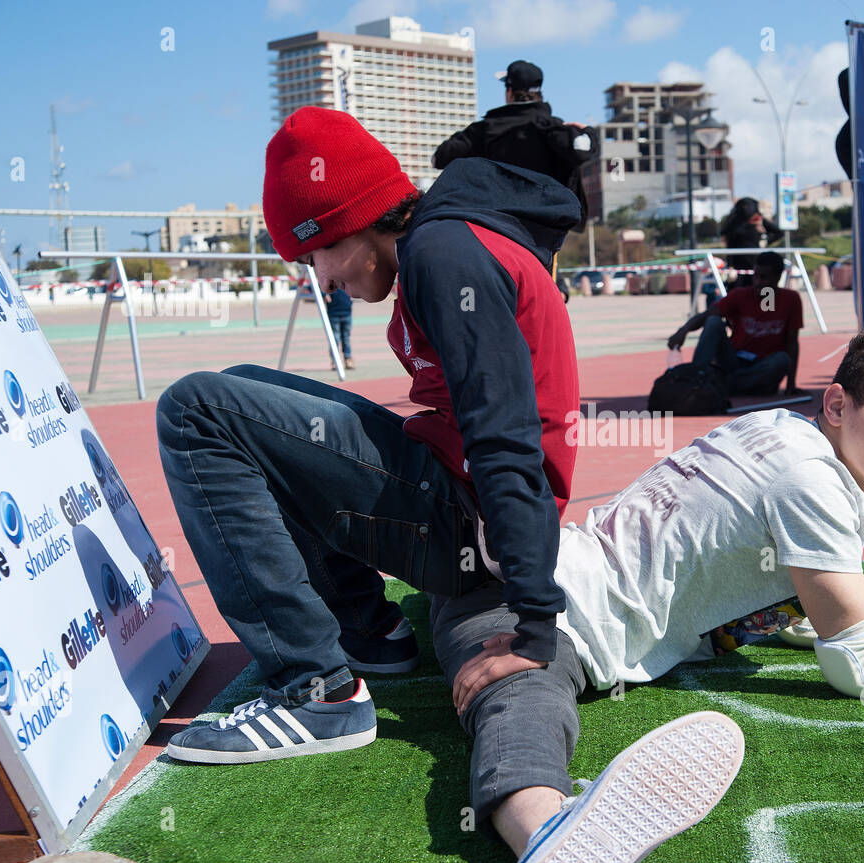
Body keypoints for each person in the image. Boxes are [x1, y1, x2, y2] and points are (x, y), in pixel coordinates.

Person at [435, 324, 864, 862]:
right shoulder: (816, 484)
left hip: (527, 570)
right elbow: (858, 668)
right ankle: (547, 831)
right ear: (838, 403)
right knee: (524, 701)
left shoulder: (777, 429)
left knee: (525, 687)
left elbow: (786, 608)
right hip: (530, 609)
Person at [158, 107, 583, 763]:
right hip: (456, 500)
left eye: (317, 253)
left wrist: (533, 623)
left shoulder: (444, 257)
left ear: (356, 220)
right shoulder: (441, 244)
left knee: (195, 411)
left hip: (475, 528)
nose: (322, 280)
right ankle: (368, 629)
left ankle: (317, 693)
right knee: (239, 384)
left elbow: (505, 437)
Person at [432, 60, 599, 230]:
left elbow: (439, 158)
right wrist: (588, 131)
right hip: (546, 230)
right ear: (539, 92)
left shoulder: (485, 129)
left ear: (510, 91)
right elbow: (582, 149)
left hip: (497, 226)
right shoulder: (551, 128)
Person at [666, 251, 802, 396]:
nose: (758, 282)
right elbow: (708, 314)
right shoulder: (740, 295)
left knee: (782, 360)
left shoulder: (791, 299)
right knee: (713, 321)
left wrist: (791, 385)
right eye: (755, 276)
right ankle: (698, 379)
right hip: (735, 361)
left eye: (764, 278)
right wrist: (683, 331)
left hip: (764, 365)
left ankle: (721, 384)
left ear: (777, 277)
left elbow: (792, 343)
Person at [719, 197, 783, 291]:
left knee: (758, 289)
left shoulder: (757, 220)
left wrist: (766, 241)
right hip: (739, 263)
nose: (747, 209)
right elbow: (730, 245)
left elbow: (778, 232)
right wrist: (730, 266)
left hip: (756, 262)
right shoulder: (734, 223)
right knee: (738, 290)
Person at [326, 286, 354, 370]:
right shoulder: (329, 276)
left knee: (346, 338)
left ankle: (348, 359)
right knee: (335, 338)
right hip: (334, 313)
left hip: (347, 312)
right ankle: (335, 361)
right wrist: (324, 294)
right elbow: (316, 286)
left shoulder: (347, 278)